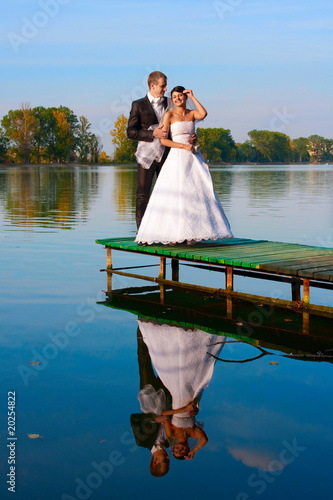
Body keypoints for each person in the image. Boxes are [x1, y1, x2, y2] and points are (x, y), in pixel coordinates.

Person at [135, 86, 233, 246]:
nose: (177, 99)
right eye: (174, 97)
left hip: (193, 156)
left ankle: (191, 234)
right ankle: (173, 234)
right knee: (176, 193)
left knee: (195, 192)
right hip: (177, 155)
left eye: (180, 96)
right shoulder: (169, 115)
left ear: (185, 97)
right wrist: (183, 146)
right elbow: (164, 140)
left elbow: (204, 113)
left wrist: (193, 96)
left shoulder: (192, 113)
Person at [137, 319, 226, 461]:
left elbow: (165, 415)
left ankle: (150, 334)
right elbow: (205, 439)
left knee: (155, 364)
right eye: (182, 452)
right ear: (187, 450)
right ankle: (189, 337)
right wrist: (195, 450)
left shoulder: (171, 435)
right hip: (187, 395)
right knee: (185, 370)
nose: (178, 449)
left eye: (176, 452)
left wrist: (184, 408)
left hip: (166, 398)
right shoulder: (193, 433)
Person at [127, 72, 195, 229]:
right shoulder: (138, 105)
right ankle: (142, 232)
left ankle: (169, 230)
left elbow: (185, 121)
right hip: (147, 155)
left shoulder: (171, 102)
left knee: (171, 193)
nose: (166, 89)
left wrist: (192, 136)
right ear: (153, 85)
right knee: (143, 194)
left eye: (166, 86)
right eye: (163, 86)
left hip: (169, 154)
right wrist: (152, 134)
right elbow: (131, 132)